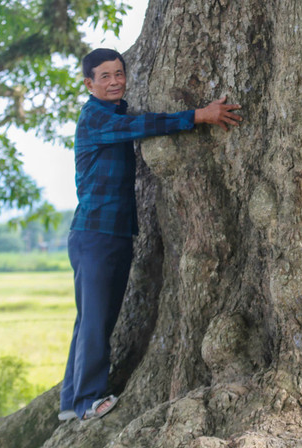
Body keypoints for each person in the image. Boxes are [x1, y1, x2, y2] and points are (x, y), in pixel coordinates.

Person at [59, 48, 241, 422]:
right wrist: (198, 115)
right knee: (94, 320)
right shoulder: (96, 118)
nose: (114, 81)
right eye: (105, 76)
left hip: (114, 234)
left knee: (94, 319)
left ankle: (69, 402)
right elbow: (140, 127)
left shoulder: (114, 112)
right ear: (88, 83)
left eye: (119, 73)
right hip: (95, 234)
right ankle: (87, 401)